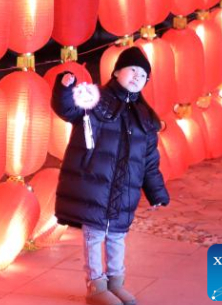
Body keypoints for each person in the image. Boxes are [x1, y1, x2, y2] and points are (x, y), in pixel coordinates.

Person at [52, 47, 169, 305]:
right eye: (133, 70)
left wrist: (156, 192)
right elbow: (68, 109)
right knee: (94, 235)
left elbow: (149, 161)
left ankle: (116, 283)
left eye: (143, 75)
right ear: (116, 71)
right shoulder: (96, 99)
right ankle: (96, 287)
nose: (138, 77)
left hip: (124, 190)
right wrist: (64, 89)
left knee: (117, 236)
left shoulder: (146, 118)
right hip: (94, 185)